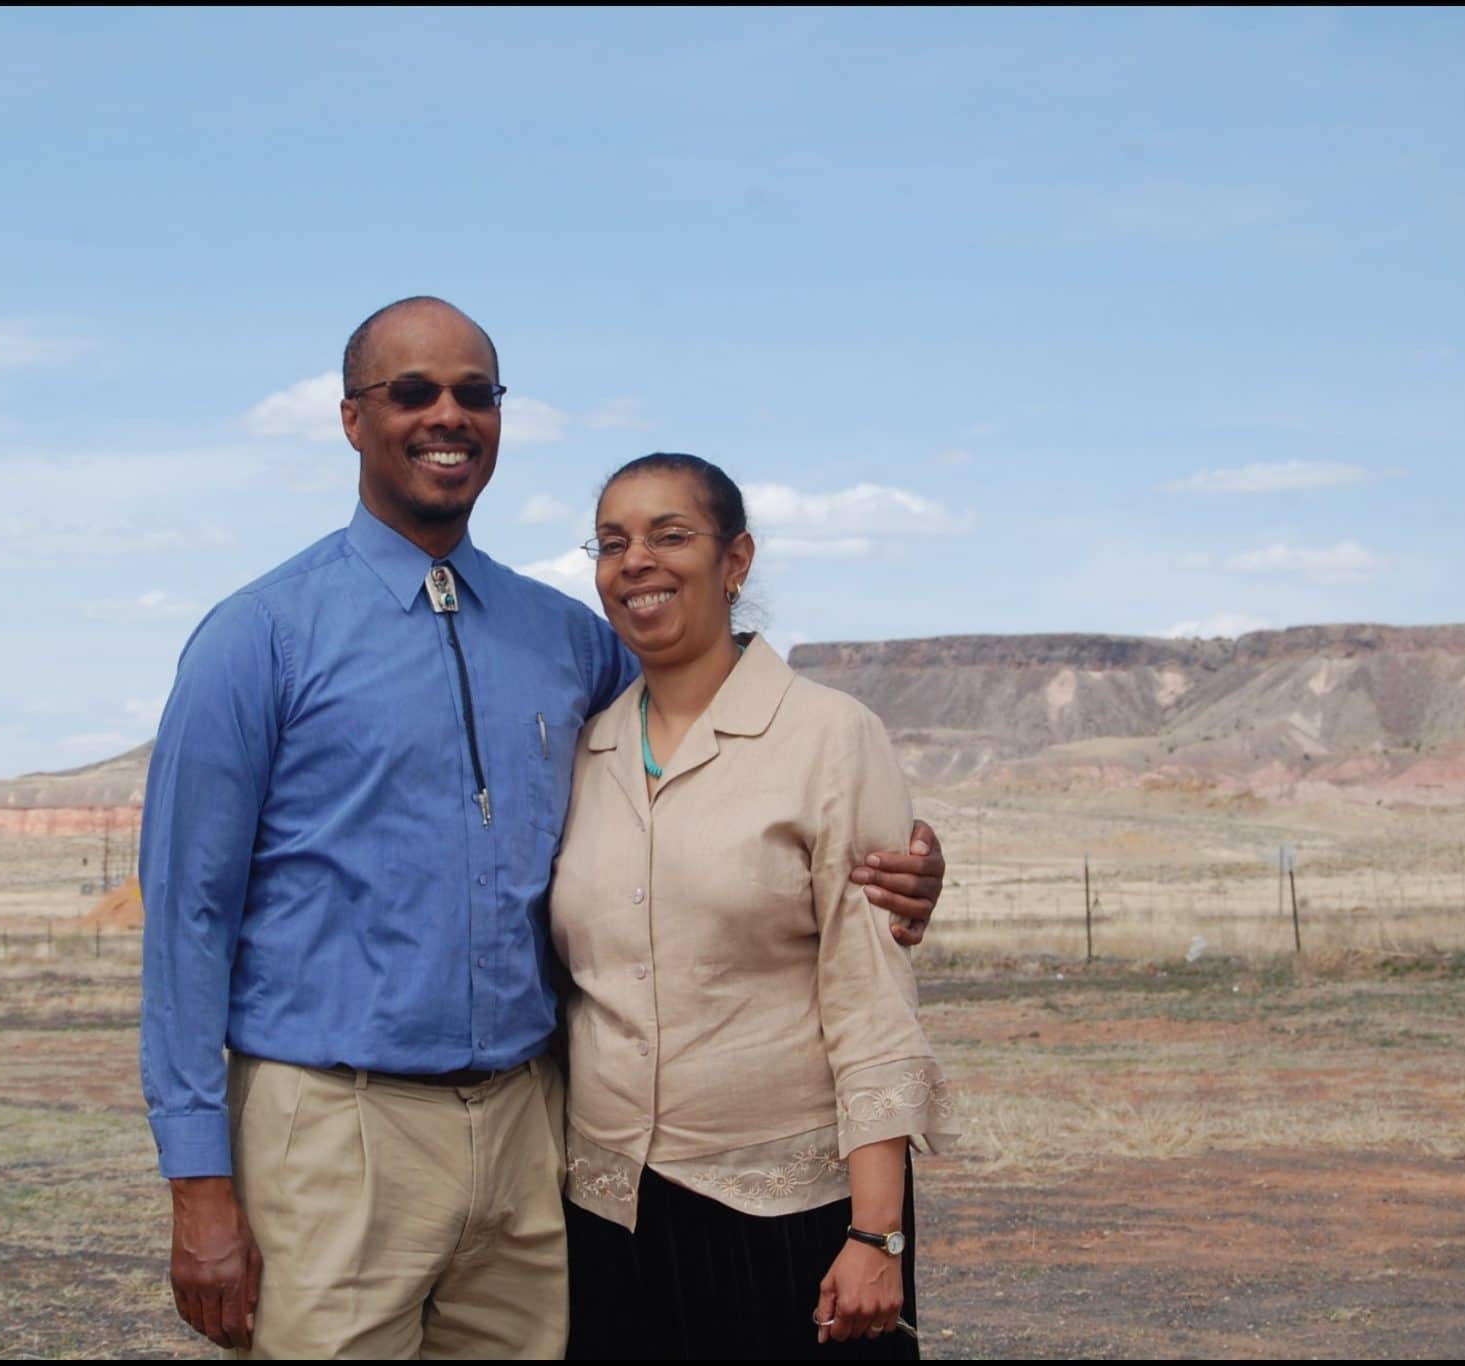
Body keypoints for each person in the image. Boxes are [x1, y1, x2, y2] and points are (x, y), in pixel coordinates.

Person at [139, 297, 948, 1359]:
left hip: (534, 1135)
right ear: (349, 418)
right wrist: (199, 1187)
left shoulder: (566, 638)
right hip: (335, 1128)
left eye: (475, 393)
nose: (448, 414)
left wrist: (900, 860)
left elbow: (718, 752)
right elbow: (188, 920)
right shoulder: (258, 639)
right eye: (413, 391)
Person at [551, 452, 958, 1360]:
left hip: (786, 1215)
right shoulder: (586, 751)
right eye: (613, 542)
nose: (636, 561)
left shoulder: (829, 735)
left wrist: (877, 1235)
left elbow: (870, 994)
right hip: (606, 1214)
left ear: (736, 561)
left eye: (671, 536)